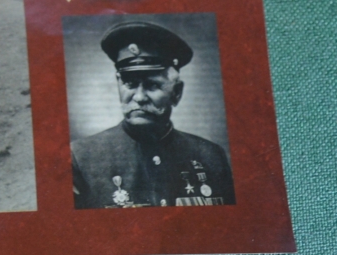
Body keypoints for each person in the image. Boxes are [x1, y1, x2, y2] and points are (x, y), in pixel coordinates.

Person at [71, 21, 235, 209]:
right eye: (130, 84)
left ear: (176, 93)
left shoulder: (211, 156)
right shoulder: (81, 157)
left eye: (152, 85)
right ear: (118, 84)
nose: (139, 97)